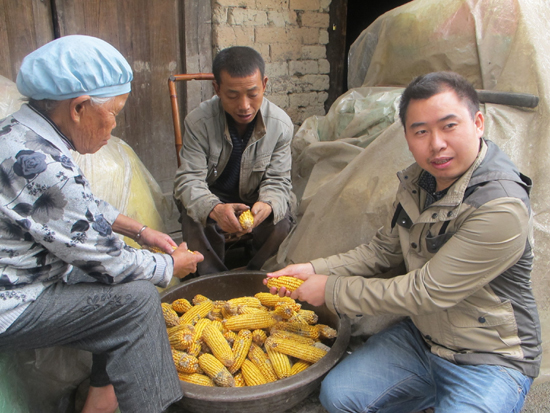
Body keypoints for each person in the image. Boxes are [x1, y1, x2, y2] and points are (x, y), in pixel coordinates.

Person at [267, 72, 542, 413]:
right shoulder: (419, 182)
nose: (436, 143)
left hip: (488, 357)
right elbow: (384, 250)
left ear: (479, 123)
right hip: (424, 340)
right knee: (338, 396)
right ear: (407, 138)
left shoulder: (500, 208)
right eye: (421, 131)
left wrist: (331, 290)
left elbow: (424, 292)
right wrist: (312, 268)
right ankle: (430, 395)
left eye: (449, 126)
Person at [0, 35, 204, 413]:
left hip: (24, 278)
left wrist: (139, 230)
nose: (114, 127)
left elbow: (78, 207)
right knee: (137, 300)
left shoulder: (18, 132)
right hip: (12, 302)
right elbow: (110, 262)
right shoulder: (40, 165)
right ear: (78, 107)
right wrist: (170, 265)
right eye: (114, 113)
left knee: (119, 294)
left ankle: (97, 405)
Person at [173, 46, 294, 275]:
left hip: (254, 199)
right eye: (232, 95)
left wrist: (267, 204)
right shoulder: (199, 122)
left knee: (281, 217)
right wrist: (215, 208)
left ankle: (258, 277)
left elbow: (279, 181)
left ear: (265, 84)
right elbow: (189, 181)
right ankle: (212, 281)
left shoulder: (281, 125)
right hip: (213, 198)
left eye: (252, 93)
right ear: (217, 88)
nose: (244, 105)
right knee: (193, 215)